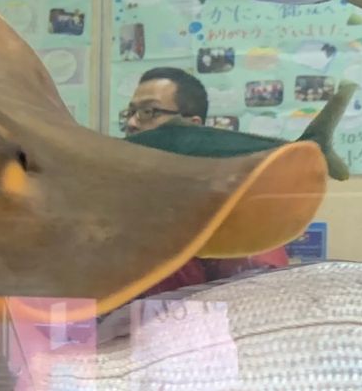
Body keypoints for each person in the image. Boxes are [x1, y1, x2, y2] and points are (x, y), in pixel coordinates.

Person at [119, 66, 290, 291]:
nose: (132, 123)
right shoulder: (119, 192)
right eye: (130, 112)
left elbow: (262, 287)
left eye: (148, 111)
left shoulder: (223, 198)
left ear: (192, 126)